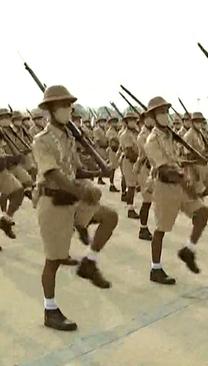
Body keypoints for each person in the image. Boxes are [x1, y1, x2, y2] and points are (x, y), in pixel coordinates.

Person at [32, 85, 108, 331]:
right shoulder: (41, 141)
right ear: (51, 110)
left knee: (110, 218)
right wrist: (82, 191)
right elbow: (53, 173)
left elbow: (75, 170)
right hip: (53, 201)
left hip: (72, 199)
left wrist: (98, 171)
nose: (68, 109)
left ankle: (89, 262)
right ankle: (50, 310)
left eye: (69, 105)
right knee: (53, 260)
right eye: (63, 106)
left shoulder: (68, 137)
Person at [144, 96, 208, 285]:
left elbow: (176, 160)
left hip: (180, 184)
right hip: (165, 187)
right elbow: (164, 168)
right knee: (161, 230)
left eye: (166, 111)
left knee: (203, 212)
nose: (165, 115)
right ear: (153, 117)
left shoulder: (170, 136)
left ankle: (188, 250)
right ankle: (155, 269)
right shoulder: (152, 140)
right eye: (160, 113)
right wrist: (184, 180)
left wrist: (194, 162)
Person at [0, 108, 27, 240]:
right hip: (4, 167)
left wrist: (11, 158)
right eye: (2, 117)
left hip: (2, 170)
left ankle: (6, 219)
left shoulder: (4, 131)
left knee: (18, 191)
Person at [183, 112, 208, 198]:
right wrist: (192, 172)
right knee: (197, 191)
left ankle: (198, 198)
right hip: (195, 166)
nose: (199, 123)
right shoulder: (189, 135)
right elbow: (187, 155)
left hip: (204, 165)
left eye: (200, 121)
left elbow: (205, 148)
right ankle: (197, 200)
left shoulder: (200, 134)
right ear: (192, 122)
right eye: (196, 121)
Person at [135, 113, 155, 241]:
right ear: (144, 120)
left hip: (152, 169)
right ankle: (143, 228)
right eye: (149, 118)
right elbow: (149, 152)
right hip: (145, 169)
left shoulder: (154, 133)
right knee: (147, 201)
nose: (152, 120)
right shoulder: (142, 136)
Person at [119, 111, 141, 219]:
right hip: (129, 161)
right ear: (126, 122)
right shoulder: (126, 135)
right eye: (130, 121)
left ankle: (130, 206)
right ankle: (130, 209)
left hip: (134, 161)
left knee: (133, 185)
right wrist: (139, 160)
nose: (133, 122)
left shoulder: (135, 134)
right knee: (131, 186)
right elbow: (129, 152)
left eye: (134, 120)